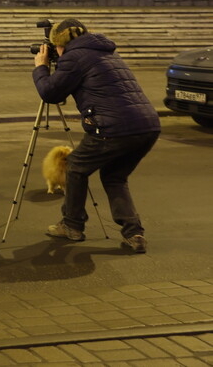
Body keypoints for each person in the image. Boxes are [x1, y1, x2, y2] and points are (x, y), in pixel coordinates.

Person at [33, 18, 160, 254]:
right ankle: (134, 233)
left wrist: (41, 66)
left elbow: (50, 92)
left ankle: (72, 225)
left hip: (113, 128)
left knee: (75, 166)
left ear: (60, 44)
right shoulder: (105, 53)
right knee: (114, 176)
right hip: (147, 125)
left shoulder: (74, 57)